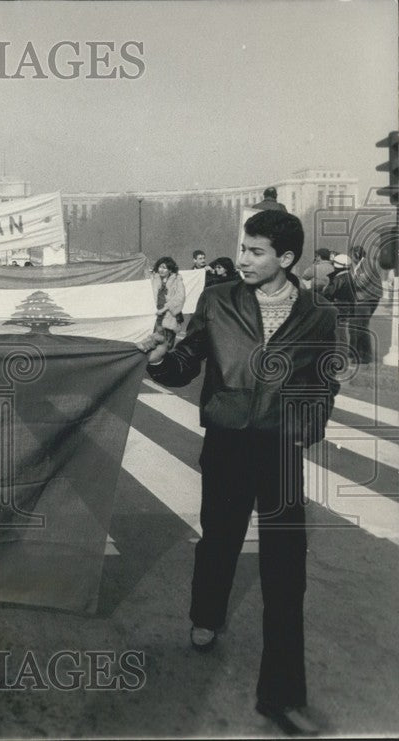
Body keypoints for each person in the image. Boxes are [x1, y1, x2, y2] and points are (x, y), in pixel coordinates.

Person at [137, 210, 338, 736]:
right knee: (220, 541)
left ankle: (282, 695)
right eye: (242, 249)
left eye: (255, 251)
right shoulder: (218, 300)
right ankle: (207, 615)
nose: (243, 259)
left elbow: (324, 382)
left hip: (280, 454)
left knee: (285, 570)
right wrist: (161, 358)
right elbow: (187, 364)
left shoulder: (319, 314)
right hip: (226, 446)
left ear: (286, 259)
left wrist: (305, 428)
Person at [150, 257, 186, 349]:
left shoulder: (177, 280)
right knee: (154, 344)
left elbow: (179, 298)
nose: (161, 270)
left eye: (164, 268)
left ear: (170, 270)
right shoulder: (154, 279)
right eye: (160, 267)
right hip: (155, 317)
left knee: (167, 345)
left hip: (169, 317)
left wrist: (164, 308)